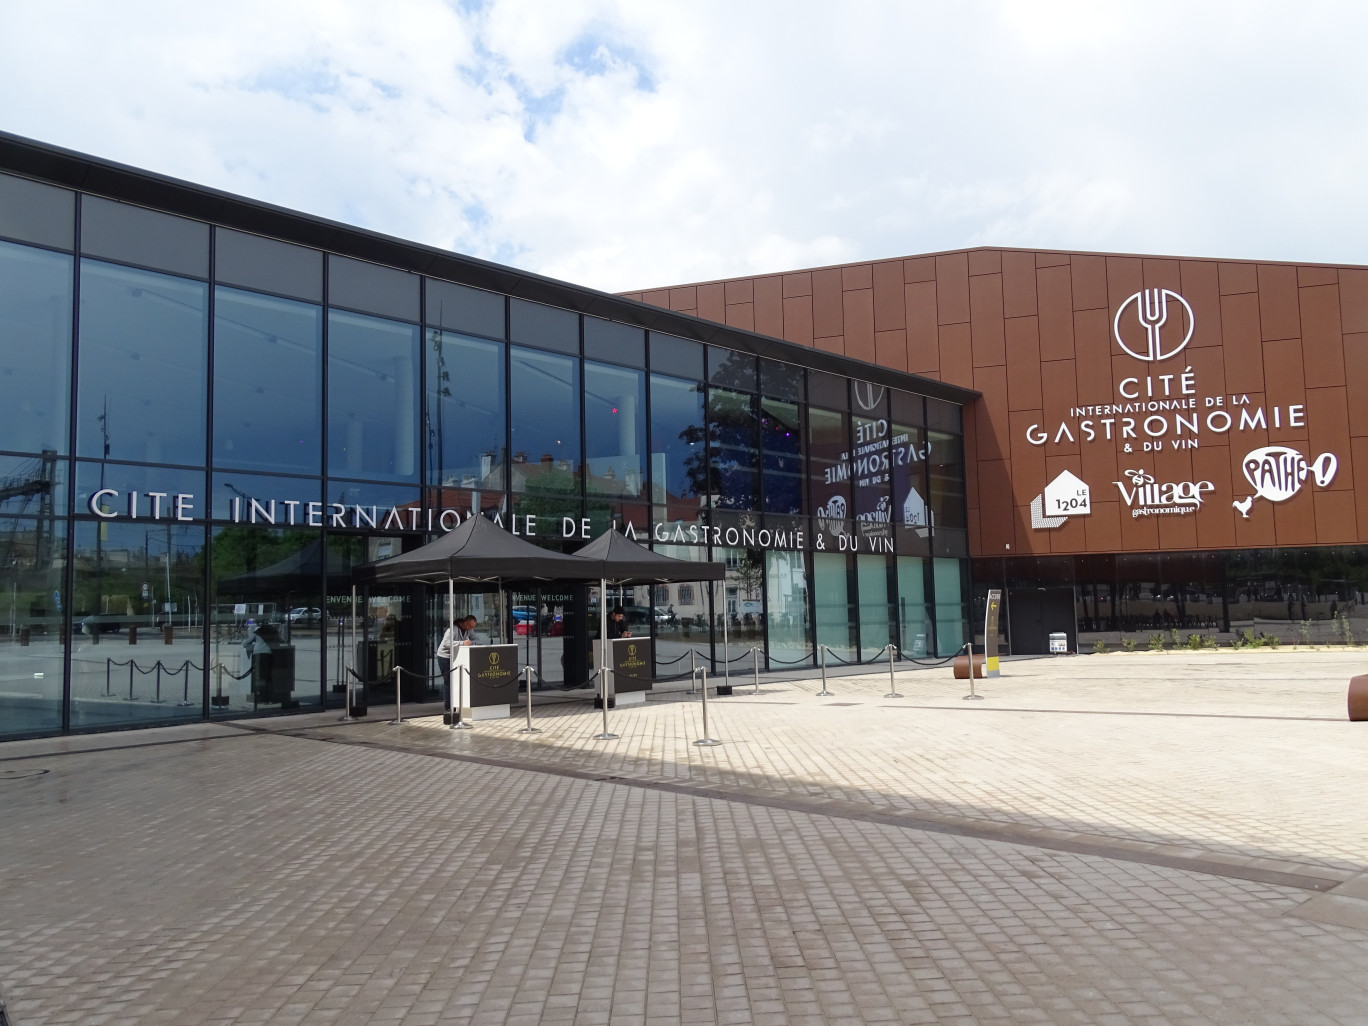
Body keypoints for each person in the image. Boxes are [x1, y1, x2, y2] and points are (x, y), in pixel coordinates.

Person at [436, 615, 478, 706]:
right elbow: (446, 643)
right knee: (449, 682)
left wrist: (470, 643)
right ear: (465, 623)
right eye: (470, 626)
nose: (471, 629)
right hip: (445, 657)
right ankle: (448, 707)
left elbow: (476, 639)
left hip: (457, 656)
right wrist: (462, 643)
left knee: (458, 680)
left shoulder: (469, 629)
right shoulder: (452, 629)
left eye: (473, 627)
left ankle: (458, 704)